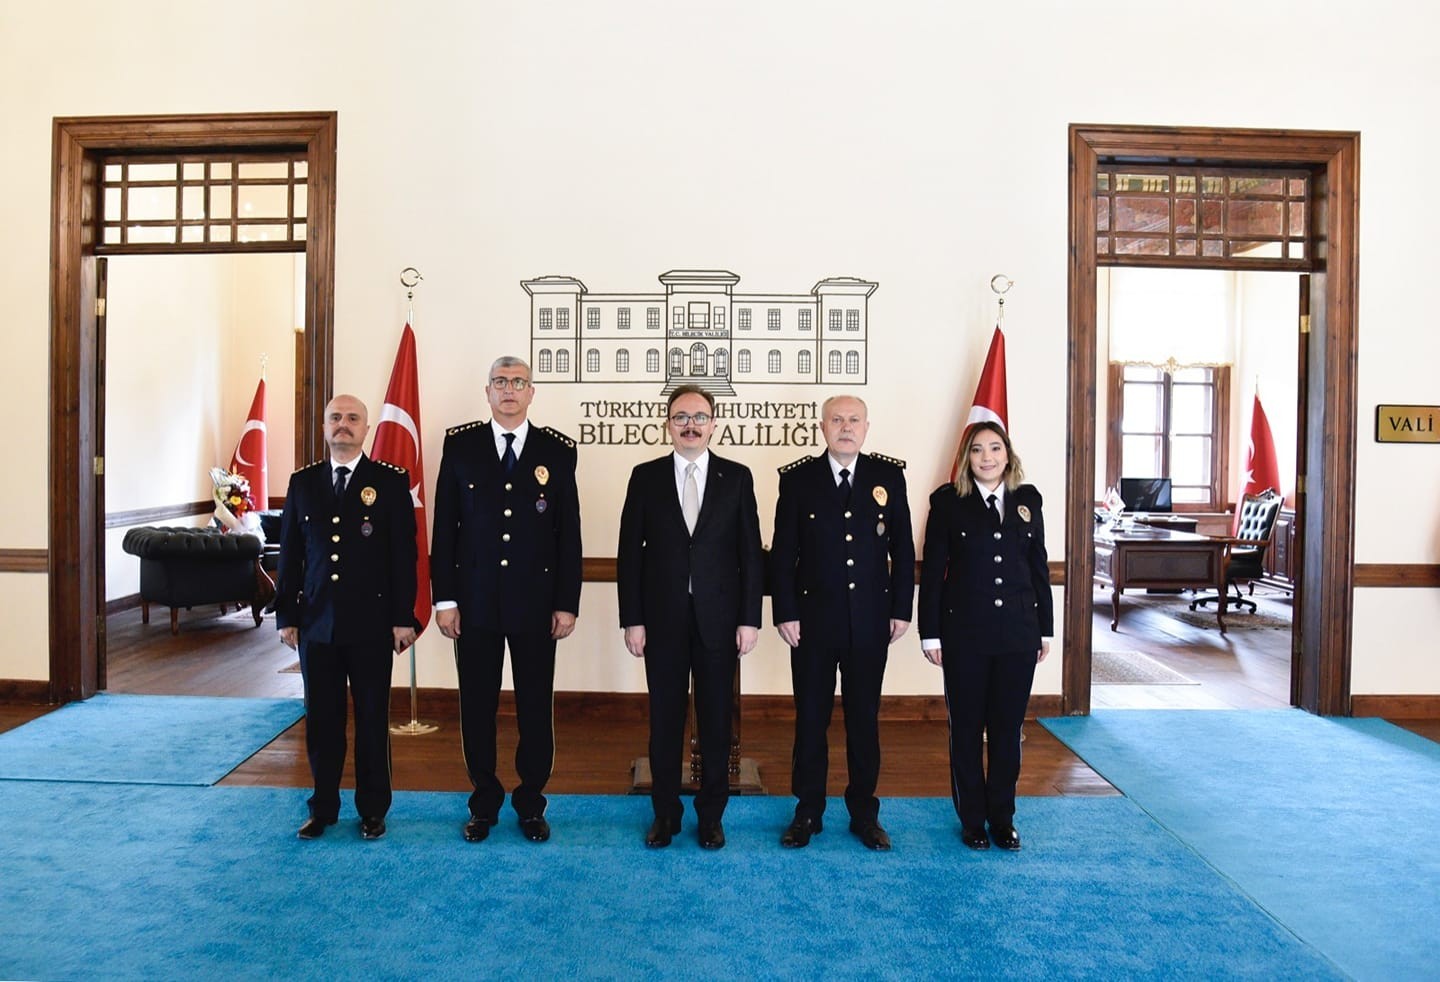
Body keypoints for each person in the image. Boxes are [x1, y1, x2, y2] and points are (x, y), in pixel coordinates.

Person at [430, 356, 582, 844]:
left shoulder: (556, 452)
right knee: (477, 705)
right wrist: (444, 600)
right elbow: (444, 531)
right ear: (488, 390)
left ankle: (531, 802)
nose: (510, 390)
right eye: (501, 382)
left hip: (536, 605)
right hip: (473, 604)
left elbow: (568, 536)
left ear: (531, 392)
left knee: (536, 706)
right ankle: (484, 802)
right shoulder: (461, 447)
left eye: (519, 382)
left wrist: (567, 602)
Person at [617, 385, 763, 849]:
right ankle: (665, 815)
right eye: (681, 417)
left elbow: (749, 556)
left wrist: (749, 618)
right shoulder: (645, 477)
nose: (691, 425)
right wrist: (632, 619)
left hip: (720, 623)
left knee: (717, 721)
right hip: (660, 622)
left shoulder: (737, 478)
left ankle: (711, 816)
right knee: (665, 721)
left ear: (714, 424)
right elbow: (629, 557)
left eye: (700, 417)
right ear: (667, 424)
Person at [770, 395, 913, 851]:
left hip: (870, 623)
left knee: (863, 721)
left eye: (853, 420)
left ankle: (864, 813)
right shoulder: (798, 481)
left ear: (866, 428)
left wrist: (901, 609)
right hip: (811, 625)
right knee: (810, 720)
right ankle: (807, 811)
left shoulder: (888, 478)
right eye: (837, 419)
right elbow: (783, 554)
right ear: (822, 426)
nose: (845, 427)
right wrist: (785, 612)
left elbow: (904, 552)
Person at [275, 394, 418, 841]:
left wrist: (403, 618)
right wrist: (286, 617)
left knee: (373, 720)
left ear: (366, 429)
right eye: (335, 417)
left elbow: (403, 557)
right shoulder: (303, 484)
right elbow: (291, 556)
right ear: (324, 427)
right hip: (317, 625)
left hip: (373, 625)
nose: (343, 425)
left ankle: (373, 809)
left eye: (352, 419)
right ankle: (323, 807)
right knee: (322, 720)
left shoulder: (390, 482)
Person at [918, 421, 1052, 851]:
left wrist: (1045, 629)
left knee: (1008, 730)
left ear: (1008, 454)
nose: (988, 457)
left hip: (1018, 633)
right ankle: (972, 819)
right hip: (964, 636)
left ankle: (1003, 817)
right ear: (966, 458)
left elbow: (1038, 571)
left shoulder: (1028, 501)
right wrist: (930, 634)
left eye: (996, 448)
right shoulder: (947, 503)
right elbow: (934, 574)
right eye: (978, 450)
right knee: (967, 730)